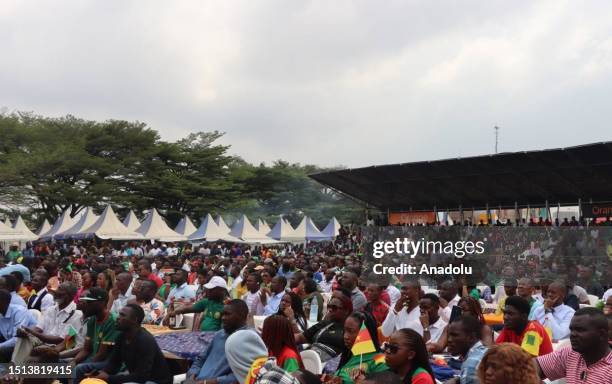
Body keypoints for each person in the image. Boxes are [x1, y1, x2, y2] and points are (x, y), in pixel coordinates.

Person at [86, 304, 172, 384]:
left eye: (123, 315)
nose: (118, 318)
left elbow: (141, 377)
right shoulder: (121, 336)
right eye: (119, 314)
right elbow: (115, 363)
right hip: (137, 377)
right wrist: (103, 372)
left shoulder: (144, 340)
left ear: (134, 320)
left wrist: (109, 378)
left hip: (156, 381)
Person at [13, 282, 83, 363]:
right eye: (57, 290)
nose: (56, 293)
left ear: (70, 297)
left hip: (60, 346)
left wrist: (34, 333)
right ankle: (15, 366)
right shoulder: (51, 309)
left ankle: (21, 370)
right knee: (24, 338)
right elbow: (38, 328)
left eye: (61, 292)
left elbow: (63, 341)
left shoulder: (76, 314)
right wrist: (27, 332)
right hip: (43, 341)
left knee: (45, 354)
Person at [536, 307, 612, 383]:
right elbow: (534, 366)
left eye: (580, 330)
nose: (572, 334)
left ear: (601, 334)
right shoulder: (570, 353)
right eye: (572, 330)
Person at [186, 299, 249, 384]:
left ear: (242, 315)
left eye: (227, 314)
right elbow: (201, 358)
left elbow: (241, 376)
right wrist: (192, 375)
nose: (223, 318)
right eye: (223, 314)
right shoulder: (219, 335)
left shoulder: (247, 340)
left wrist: (205, 382)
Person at [72, 287, 121, 383]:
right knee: (57, 365)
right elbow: (86, 349)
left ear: (102, 303)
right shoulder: (91, 320)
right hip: (91, 358)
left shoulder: (112, 321)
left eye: (89, 302)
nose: (85, 304)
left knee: (78, 369)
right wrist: (72, 361)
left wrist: (75, 364)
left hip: (109, 362)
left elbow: (101, 355)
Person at [332, 311, 388, 384]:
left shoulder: (380, 361)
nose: (345, 336)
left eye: (350, 331)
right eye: (345, 330)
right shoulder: (350, 354)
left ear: (366, 332)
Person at [295, 294, 352, 362]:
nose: (330, 310)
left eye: (334, 307)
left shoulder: (350, 329)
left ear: (346, 311)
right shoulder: (325, 323)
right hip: (309, 358)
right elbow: (300, 337)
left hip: (330, 366)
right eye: (329, 306)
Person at [445, 315, 488, 384]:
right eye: (449, 335)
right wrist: (457, 379)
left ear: (471, 337)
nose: (449, 340)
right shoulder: (485, 351)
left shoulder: (470, 366)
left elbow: (470, 370)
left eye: (455, 335)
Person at [0, 289, 37, 362]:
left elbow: (17, 339)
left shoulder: (19, 312)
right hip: (10, 345)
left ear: (3, 302)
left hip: (28, 344)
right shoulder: (1, 312)